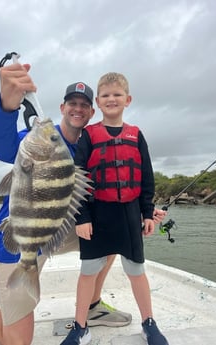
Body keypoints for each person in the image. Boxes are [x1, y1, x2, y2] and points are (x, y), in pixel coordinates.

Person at [0, 64, 166, 345]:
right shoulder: (32, 143)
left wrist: (142, 209)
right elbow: (2, 146)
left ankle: (92, 306)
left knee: (110, 234)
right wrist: (8, 106)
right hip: (21, 238)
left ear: (92, 111)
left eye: (84, 105)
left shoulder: (91, 146)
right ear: (63, 106)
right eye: (73, 103)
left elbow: (108, 191)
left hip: (57, 230)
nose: (78, 109)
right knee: (16, 342)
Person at [61, 72, 169, 345]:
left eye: (117, 95)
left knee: (136, 270)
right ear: (98, 102)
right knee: (88, 272)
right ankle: (80, 326)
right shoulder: (88, 135)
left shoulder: (136, 135)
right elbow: (79, 179)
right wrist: (82, 217)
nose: (112, 99)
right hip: (97, 215)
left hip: (130, 214)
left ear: (127, 99)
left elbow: (147, 177)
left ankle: (149, 322)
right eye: (106, 96)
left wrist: (147, 213)